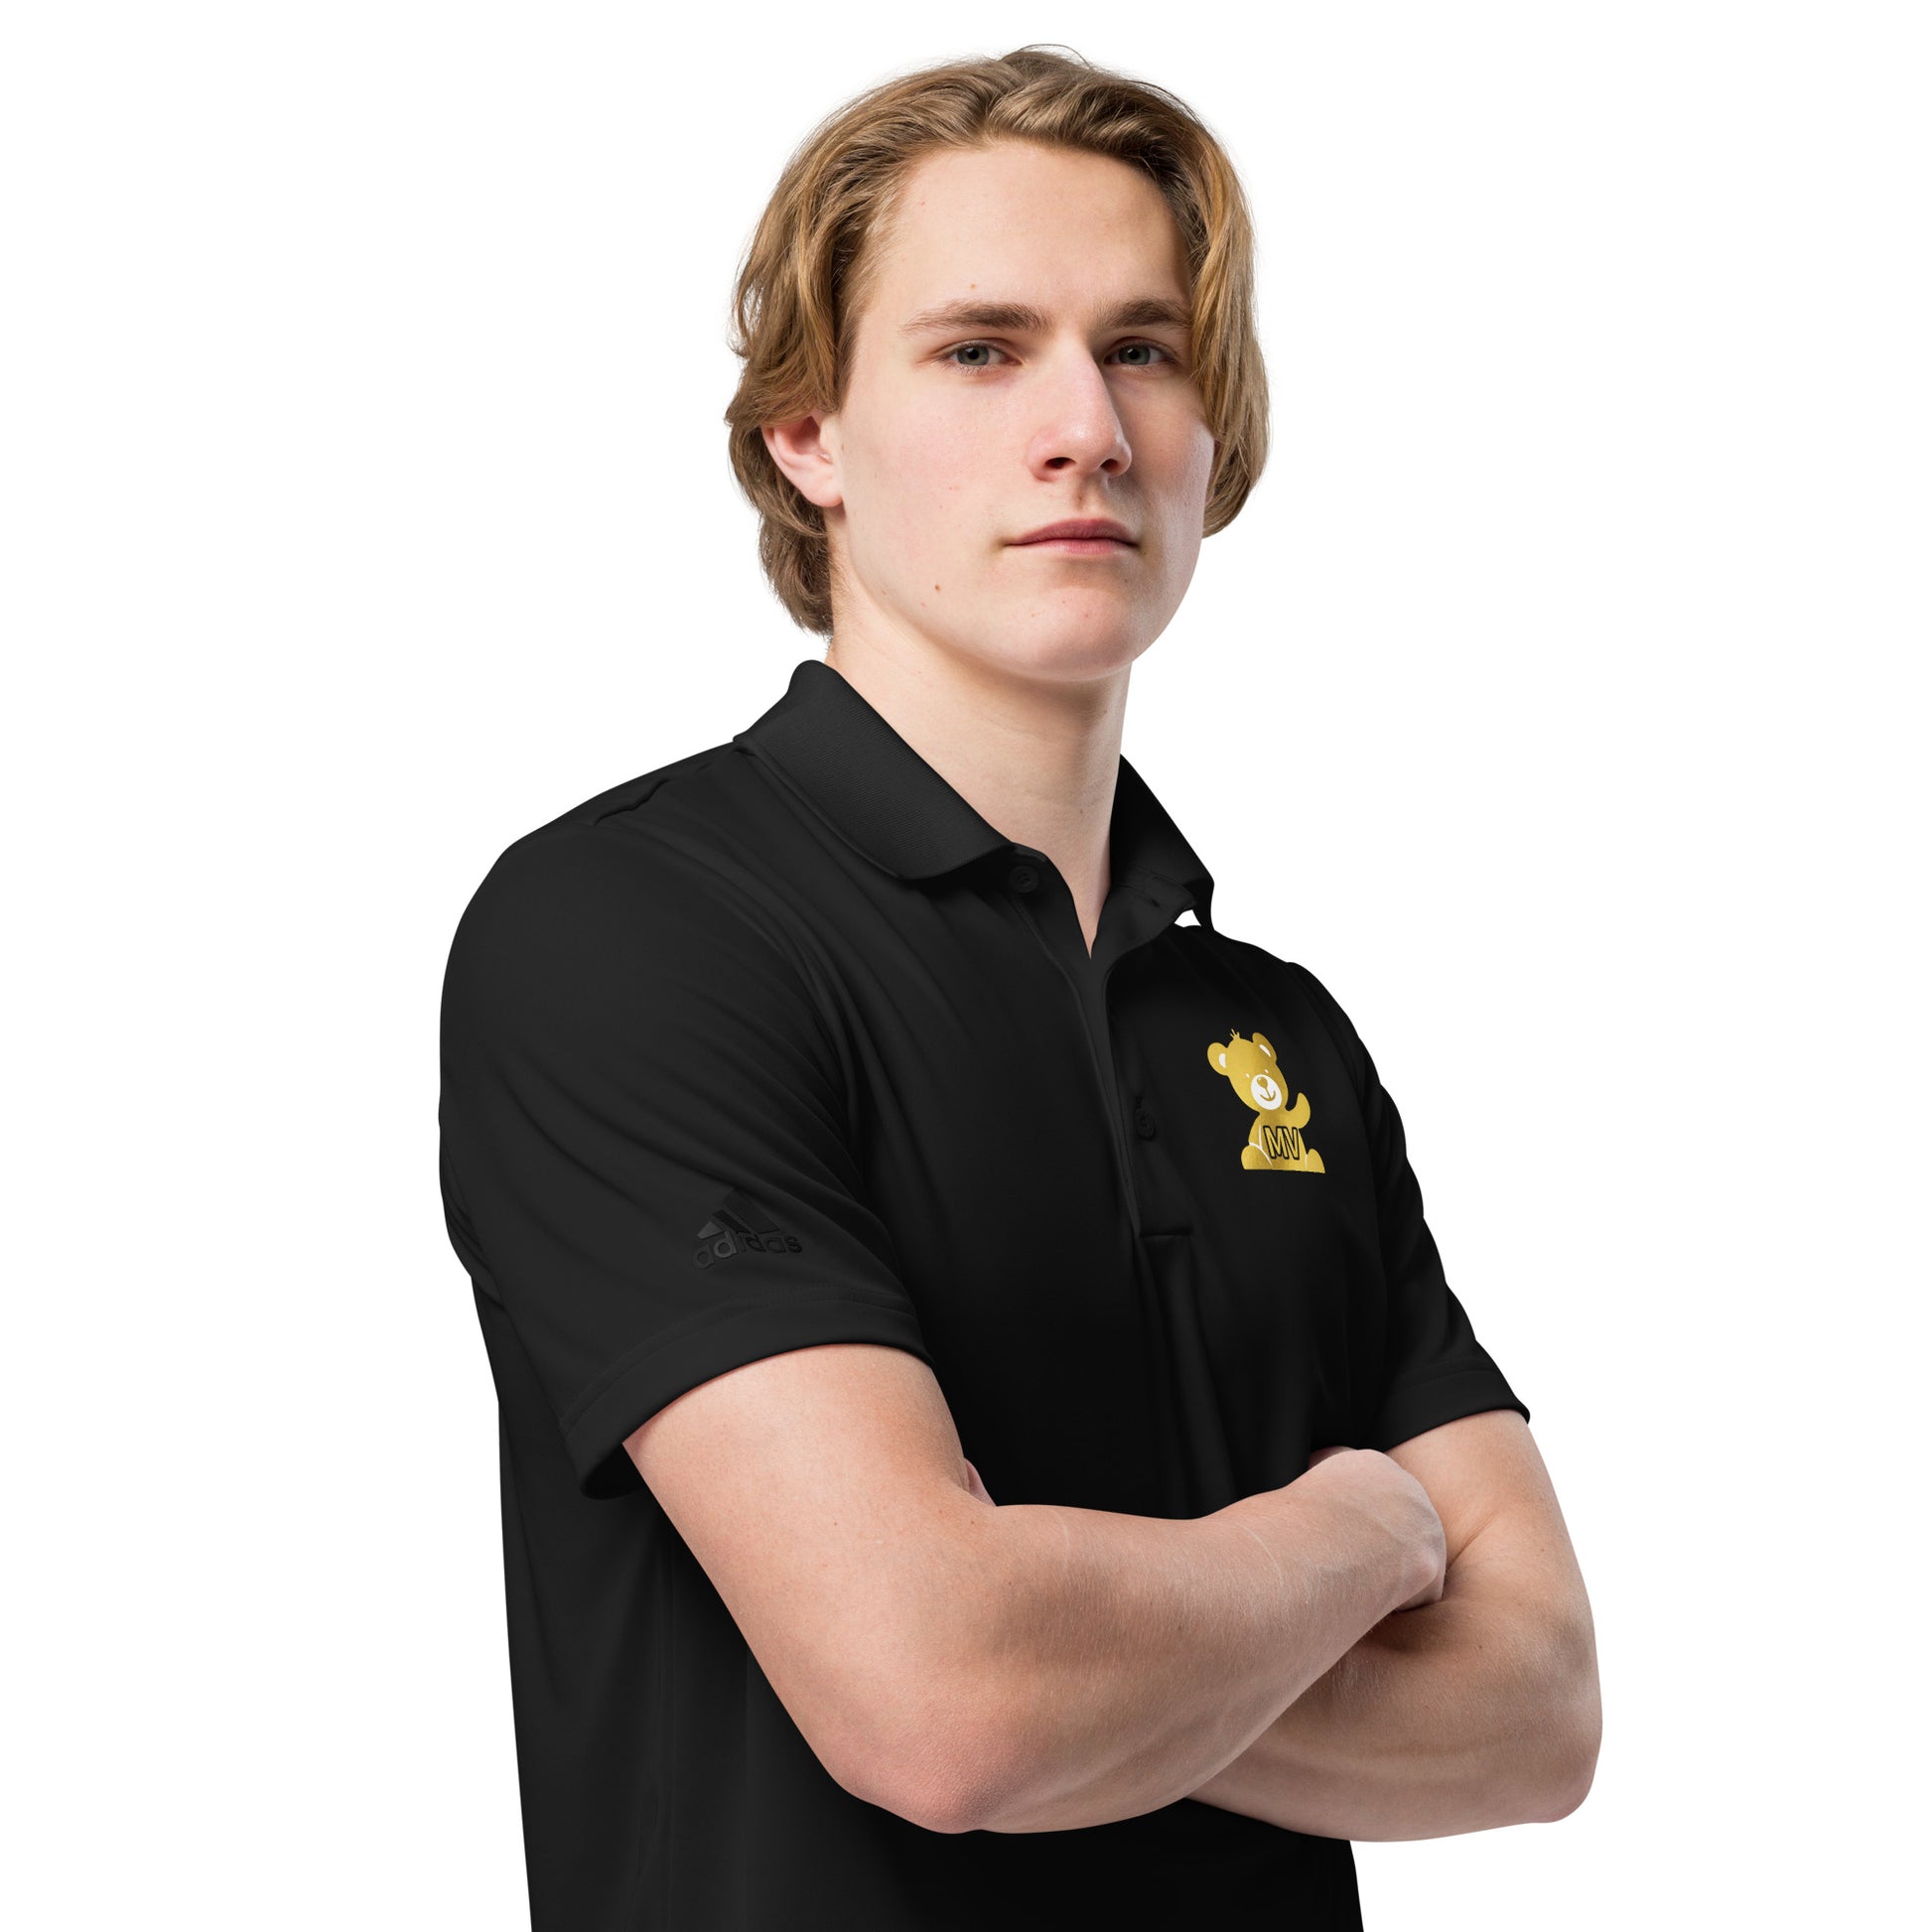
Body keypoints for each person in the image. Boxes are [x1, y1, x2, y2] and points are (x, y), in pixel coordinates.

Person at [438, 44, 1599, 1931]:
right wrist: (1355, 1528)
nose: (1087, 428)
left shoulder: (1276, 1035)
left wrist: (1063, 1664)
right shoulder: (631, 931)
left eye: (1142, 349)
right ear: (807, 435)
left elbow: (1538, 1710)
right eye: (980, 349)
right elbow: (945, 1702)